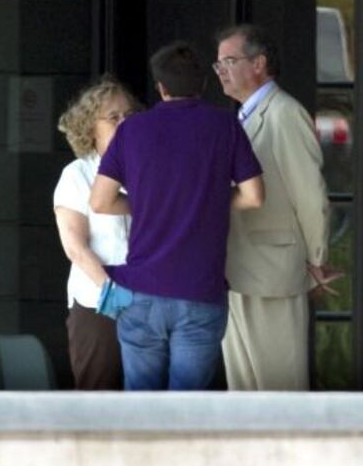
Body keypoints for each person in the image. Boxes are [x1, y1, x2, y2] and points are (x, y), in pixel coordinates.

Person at [90, 41, 264, 391]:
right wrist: (206, 201)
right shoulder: (225, 126)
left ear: (161, 87)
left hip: (140, 290)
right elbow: (254, 196)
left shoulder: (132, 130)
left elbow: (100, 202)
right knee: (189, 409)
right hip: (200, 290)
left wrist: (150, 203)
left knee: (141, 406)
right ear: (202, 84)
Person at [213, 24, 342, 391]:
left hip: (272, 273)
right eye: (217, 63)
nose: (221, 70)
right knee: (244, 391)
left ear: (259, 63)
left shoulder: (285, 113)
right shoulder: (242, 116)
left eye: (230, 60)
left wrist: (316, 260)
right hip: (235, 271)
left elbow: (310, 194)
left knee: (279, 392)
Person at [53, 75, 140, 390]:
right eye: (114, 117)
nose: (125, 122)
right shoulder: (77, 174)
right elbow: (74, 246)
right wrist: (111, 291)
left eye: (129, 115)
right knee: (98, 395)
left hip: (149, 302)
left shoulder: (147, 168)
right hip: (98, 304)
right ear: (91, 126)